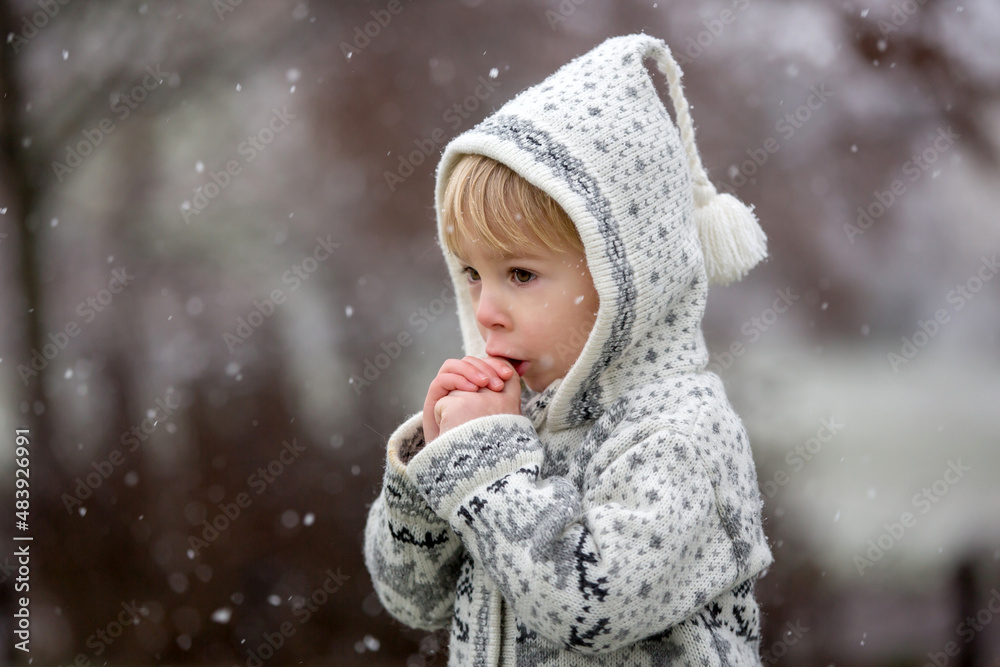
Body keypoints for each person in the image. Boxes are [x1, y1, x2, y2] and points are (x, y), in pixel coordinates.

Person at [364, 32, 773, 666]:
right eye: (472, 273)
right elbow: (414, 600)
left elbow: (589, 607)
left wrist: (485, 464)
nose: (485, 310)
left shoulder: (682, 437)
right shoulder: (517, 422)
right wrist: (435, 463)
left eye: (520, 275)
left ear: (627, 278)